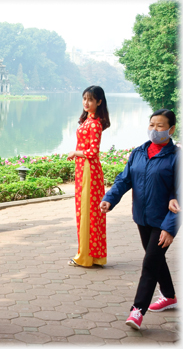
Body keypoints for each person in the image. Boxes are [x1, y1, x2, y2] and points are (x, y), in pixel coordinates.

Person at [100, 109, 180, 330]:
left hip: (163, 220)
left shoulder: (176, 158)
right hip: (141, 218)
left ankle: (137, 310)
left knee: (150, 262)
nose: (155, 129)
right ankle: (170, 296)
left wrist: (170, 228)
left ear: (171, 129)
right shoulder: (139, 152)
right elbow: (124, 179)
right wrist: (110, 199)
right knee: (155, 258)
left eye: (160, 126)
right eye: (152, 125)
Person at [67, 85, 111, 267]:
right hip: (85, 169)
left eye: (91, 99)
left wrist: (75, 152)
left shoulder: (94, 123)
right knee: (90, 212)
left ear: (99, 102)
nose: (86, 102)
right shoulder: (89, 120)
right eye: (84, 99)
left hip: (88, 170)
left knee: (87, 212)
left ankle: (85, 256)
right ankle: (95, 255)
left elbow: (93, 152)